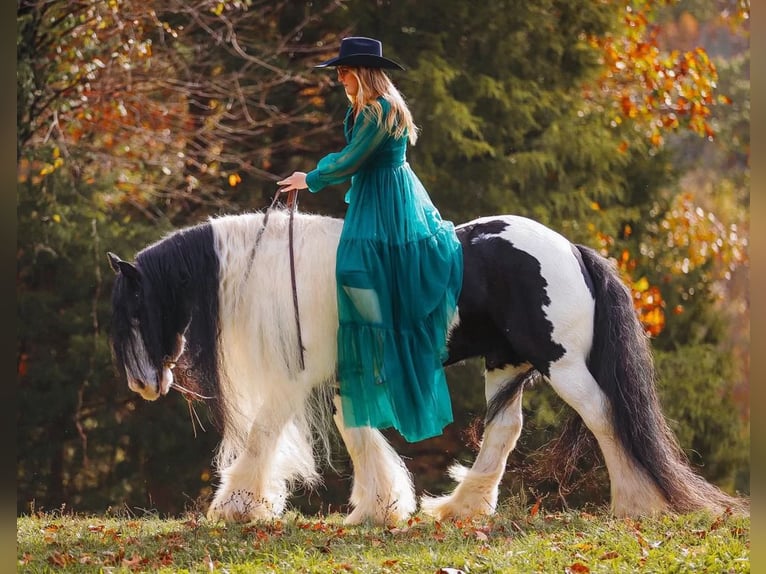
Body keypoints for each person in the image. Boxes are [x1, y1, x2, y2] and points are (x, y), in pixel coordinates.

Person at [277, 36, 463, 443]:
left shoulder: (380, 110)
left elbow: (351, 160)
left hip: (386, 200)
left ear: (360, 72)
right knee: (354, 264)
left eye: (342, 71)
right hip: (374, 194)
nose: (338, 78)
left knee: (353, 264)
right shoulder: (367, 108)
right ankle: (375, 342)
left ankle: (380, 345)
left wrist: (309, 179)